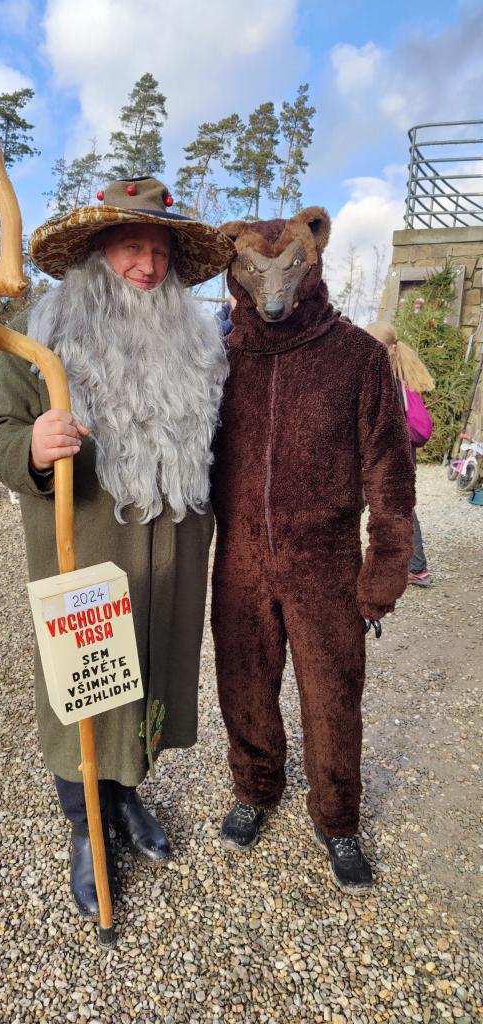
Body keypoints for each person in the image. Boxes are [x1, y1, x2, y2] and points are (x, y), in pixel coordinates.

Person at [0, 176, 234, 918]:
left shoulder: (198, 342)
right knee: (86, 686)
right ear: (97, 251)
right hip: (89, 553)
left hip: (172, 554)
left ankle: (124, 797)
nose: (148, 267)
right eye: (132, 247)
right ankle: (84, 824)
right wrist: (33, 446)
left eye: (160, 252)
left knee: (149, 675)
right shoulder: (40, 335)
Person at [210, 210, 415, 895]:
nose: (272, 285)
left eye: (288, 267)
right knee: (243, 684)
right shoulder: (220, 361)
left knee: (333, 695)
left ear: (313, 257)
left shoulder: (356, 356)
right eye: (254, 269)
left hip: (325, 562)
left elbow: (390, 472)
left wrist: (385, 564)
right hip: (239, 557)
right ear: (235, 269)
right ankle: (255, 786)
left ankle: (337, 817)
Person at [366, 321, 435, 587]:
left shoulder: (386, 378)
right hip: (404, 455)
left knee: (393, 510)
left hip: (389, 456)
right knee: (399, 508)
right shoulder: (402, 375)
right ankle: (413, 566)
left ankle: (414, 566)